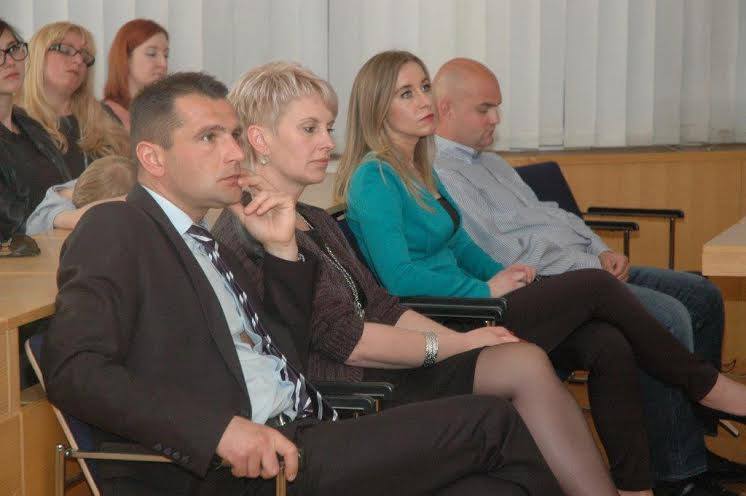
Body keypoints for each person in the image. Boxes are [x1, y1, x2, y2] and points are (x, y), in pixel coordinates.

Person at [42, 71, 564, 496]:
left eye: (232, 135)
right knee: (490, 422)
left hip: (305, 429)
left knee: (484, 487)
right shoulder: (117, 227)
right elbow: (74, 370)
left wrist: (282, 252)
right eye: (208, 137)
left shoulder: (207, 240)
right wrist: (217, 431)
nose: (233, 152)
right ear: (153, 158)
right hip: (234, 467)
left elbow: (284, 358)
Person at [335, 49, 746, 496]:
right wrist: (484, 289)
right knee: (596, 284)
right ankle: (706, 386)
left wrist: (507, 276)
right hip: (448, 319)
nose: (423, 100)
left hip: (476, 301)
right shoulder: (374, 178)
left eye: (425, 87)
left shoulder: (417, 168)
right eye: (406, 93)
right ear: (377, 108)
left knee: (608, 343)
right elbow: (399, 279)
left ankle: (635, 488)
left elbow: (461, 246)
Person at [212, 61, 620, 496]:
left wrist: (457, 340)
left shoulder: (314, 218)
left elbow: (382, 304)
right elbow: (347, 340)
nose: (328, 143)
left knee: (525, 359)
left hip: (382, 367)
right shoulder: (250, 231)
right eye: (310, 129)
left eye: (328, 128)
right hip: (354, 393)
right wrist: (458, 344)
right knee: (519, 373)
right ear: (260, 139)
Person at [22, 21, 128, 176]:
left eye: (85, 56)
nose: (79, 61)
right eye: (65, 50)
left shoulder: (105, 117)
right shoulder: (14, 122)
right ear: (39, 55)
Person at [0, 18, 73, 240]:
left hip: (59, 246)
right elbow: (9, 220)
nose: (9, 61)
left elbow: (64, 188)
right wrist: (63, 215)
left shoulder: (30, 125)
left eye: (13, 48)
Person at [103, 18, 169, 130]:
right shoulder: (100, 117)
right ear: (126, 58)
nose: (163, 64)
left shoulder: (168, 114)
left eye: (166, 55)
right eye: (152, 54)